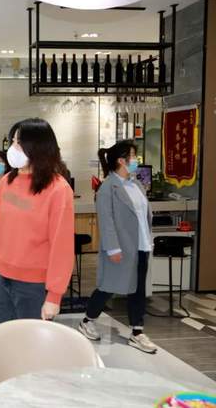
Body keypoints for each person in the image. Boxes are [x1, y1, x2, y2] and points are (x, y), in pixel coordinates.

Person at [0, 118, 74, 328]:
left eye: (19, 142)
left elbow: (61, 246)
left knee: (29, 344)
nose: (13, 148)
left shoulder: (58, 190)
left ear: (38, 147)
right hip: (0, 278)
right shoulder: (7, 182)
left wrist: (54, 295)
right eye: (12, 142)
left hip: (34, 285)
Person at [78, 141, 157, 354]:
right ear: (121, 160)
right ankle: (88, 320)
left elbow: (143, 215)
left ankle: (137, 332)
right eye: (133, 156)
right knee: (109, 286)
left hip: (141, 245)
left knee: (138, 289)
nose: (136, 160)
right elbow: (106, 220)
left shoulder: (136, 185)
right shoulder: (108, 187)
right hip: (121, 247)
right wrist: (113, 248)